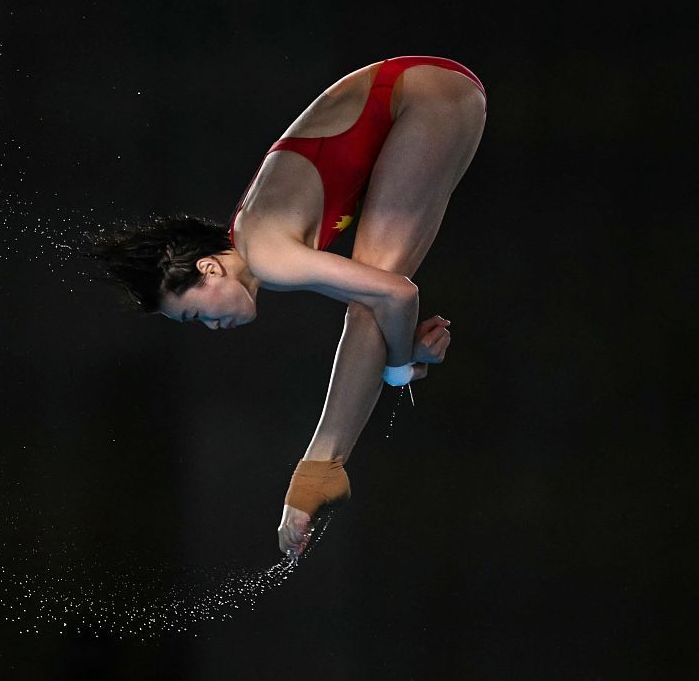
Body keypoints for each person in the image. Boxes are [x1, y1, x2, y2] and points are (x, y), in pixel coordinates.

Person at [86, 55, 487, 558]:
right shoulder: (254, 236)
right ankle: (320, 468)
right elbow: (392, 294)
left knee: (373, 302)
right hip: (429, 93)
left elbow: (398, 295)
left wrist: (403, 362)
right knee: (373, 302)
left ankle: (317, 469)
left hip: (425, 96)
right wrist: (402, 354)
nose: (212, 327)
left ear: (209, 269)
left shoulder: (269, 257)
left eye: (197, 314)